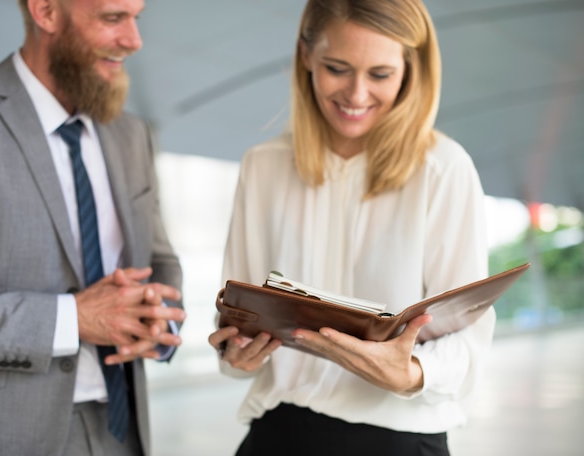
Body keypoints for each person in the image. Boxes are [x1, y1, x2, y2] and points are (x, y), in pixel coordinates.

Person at [208, 0, 495, 454]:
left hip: (398, 437)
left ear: (410, 69)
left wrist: (412, 371)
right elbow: (239, 306)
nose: (357, 94)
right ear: (306, 56)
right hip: (279, 432)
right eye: (337, 68)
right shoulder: (262, 167)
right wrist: (235, 351)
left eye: (380, 74)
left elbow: (469, 337)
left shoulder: (443, 169)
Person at [0, 0, 186, 455]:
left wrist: (155, 323)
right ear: (45, 11)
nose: (134, 40)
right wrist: (74, 320)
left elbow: (158, 258)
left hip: (121, 429)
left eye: (135, 17)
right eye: (112, 18)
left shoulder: (131, 133)